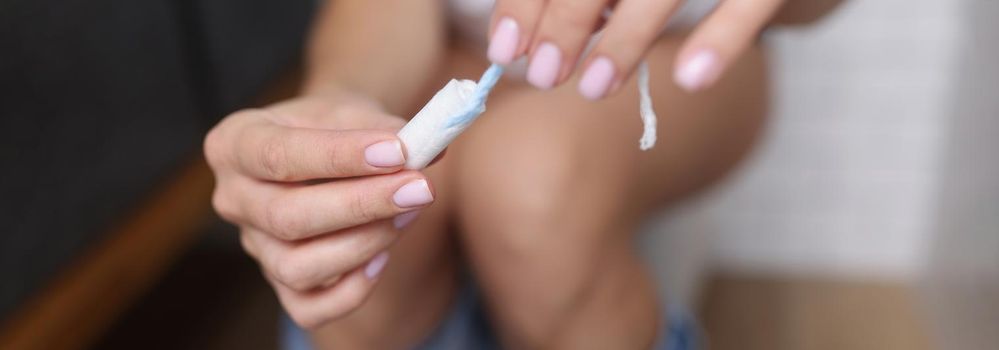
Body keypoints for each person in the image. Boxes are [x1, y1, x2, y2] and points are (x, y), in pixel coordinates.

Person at [203, 0, 841, 348]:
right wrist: (339, 96)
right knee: (368, 235)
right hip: (449, 41)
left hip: (669, 48)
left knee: (532, 187)